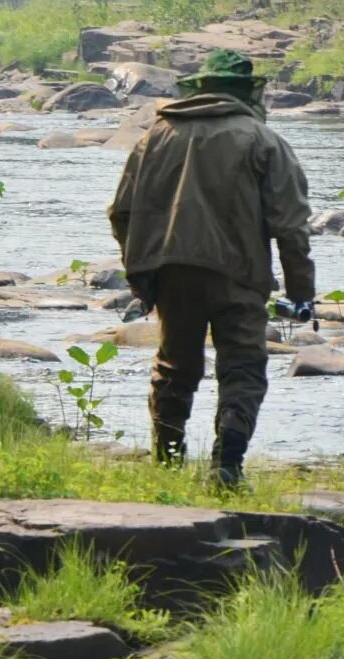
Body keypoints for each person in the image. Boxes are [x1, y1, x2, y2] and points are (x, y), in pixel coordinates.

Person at [108, 48, 315, 486]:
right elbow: (292, 227)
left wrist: (141, 277)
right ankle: (226, 465)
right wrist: (300, 292)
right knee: (242, 368)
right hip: (239, 275)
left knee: (173, 368)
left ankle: (166, 464)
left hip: (171, 273)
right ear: (246, 91)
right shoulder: (263, 140)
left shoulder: (154, 137)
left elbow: (121, 213)